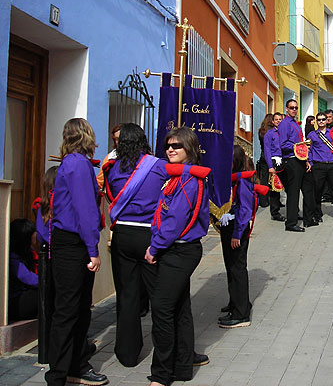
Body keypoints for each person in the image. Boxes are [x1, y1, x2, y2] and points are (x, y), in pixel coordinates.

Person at [102, 123, 174, 367]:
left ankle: (127, 353)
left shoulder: (111, 169)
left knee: (127, 294)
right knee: (159, 296)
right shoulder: (157, 166)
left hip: (122, 233)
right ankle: (166, 351)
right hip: (148, 234)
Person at [145, 127, 211, 386]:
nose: (170, 150)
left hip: (180, 250)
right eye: (168, 146)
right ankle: (183, 367)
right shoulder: (178, 177)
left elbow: (174, 221)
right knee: (180, 307)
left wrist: (154, 247)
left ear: (190, 149)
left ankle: (161, 375)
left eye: (176, 146)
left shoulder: (188, 180)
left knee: (161, 309)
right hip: (175, 248)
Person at [45, 118, 108, 386]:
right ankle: (60, 373)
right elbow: (85, 210)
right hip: (74, 244)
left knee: (76, 308)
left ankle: (72, 366)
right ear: (87, 137)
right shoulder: (79, 165)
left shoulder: (68, 164)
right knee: (72, 310)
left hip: (65, 242)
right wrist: (92, 249)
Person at [217, 146, 263, 329]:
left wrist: (237, 234)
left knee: (237, 268)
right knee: (230, 266)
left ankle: (241, 313)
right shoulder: (234, 179)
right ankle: (235, 301)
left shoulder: (243, 181)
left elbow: (245, 209)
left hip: (237, 228)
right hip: (229, 226)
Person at [278, 99, 315, 232]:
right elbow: (283, 144)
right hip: (292, 161)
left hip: (301, 160)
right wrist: (297, 146)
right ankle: (291, 223)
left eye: (296, 108)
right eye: (291, 108)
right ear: (286, 109)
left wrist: (306, 160)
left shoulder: (296, 124)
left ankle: (308, 219)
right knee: (293, 193)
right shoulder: (284, 124)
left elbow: (301, 145)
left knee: (308, 188)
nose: (294, 110)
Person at [8, 218, 39, 322]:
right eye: (33, 232)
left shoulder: (28, 252)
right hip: (15, 303)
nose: (36, 234)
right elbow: (26, 277)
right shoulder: (13, 257)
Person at [258, 113, 285, 221]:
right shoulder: (269, 134)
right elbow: (267, 151)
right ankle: (275, 213)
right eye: (276, 119)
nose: (278, 121)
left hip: (285, 161)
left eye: (280, 119)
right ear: (273, 122)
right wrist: (270, 166)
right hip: (274, 162)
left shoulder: (285, 133)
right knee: (275, 189)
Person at [96, 123, 121, 189]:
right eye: (115, 139)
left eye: (118, 139)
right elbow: (100, 181)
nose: (117, 142)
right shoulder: (111, 157)